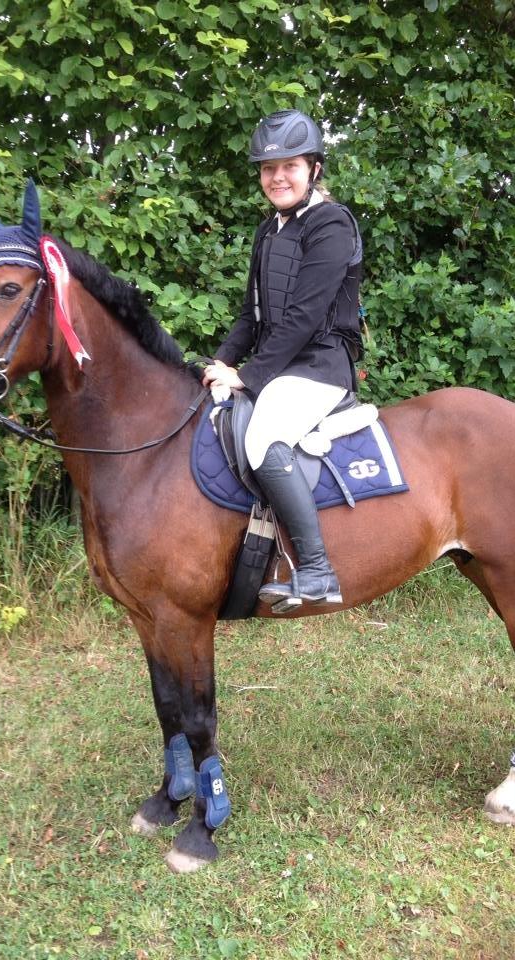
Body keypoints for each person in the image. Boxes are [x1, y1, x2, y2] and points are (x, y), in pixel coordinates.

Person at [203, 109, 363, 606]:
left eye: (289, 166)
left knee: (264, 438)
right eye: (268, 169)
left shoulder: (332, 224)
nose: (277, 177)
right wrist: (220, 362)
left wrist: (246, 377)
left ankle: (317, 571)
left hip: (320, 366)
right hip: (283, 366)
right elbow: (251, 316)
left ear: (313, 168)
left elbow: (302, 316)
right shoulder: (267, 231)